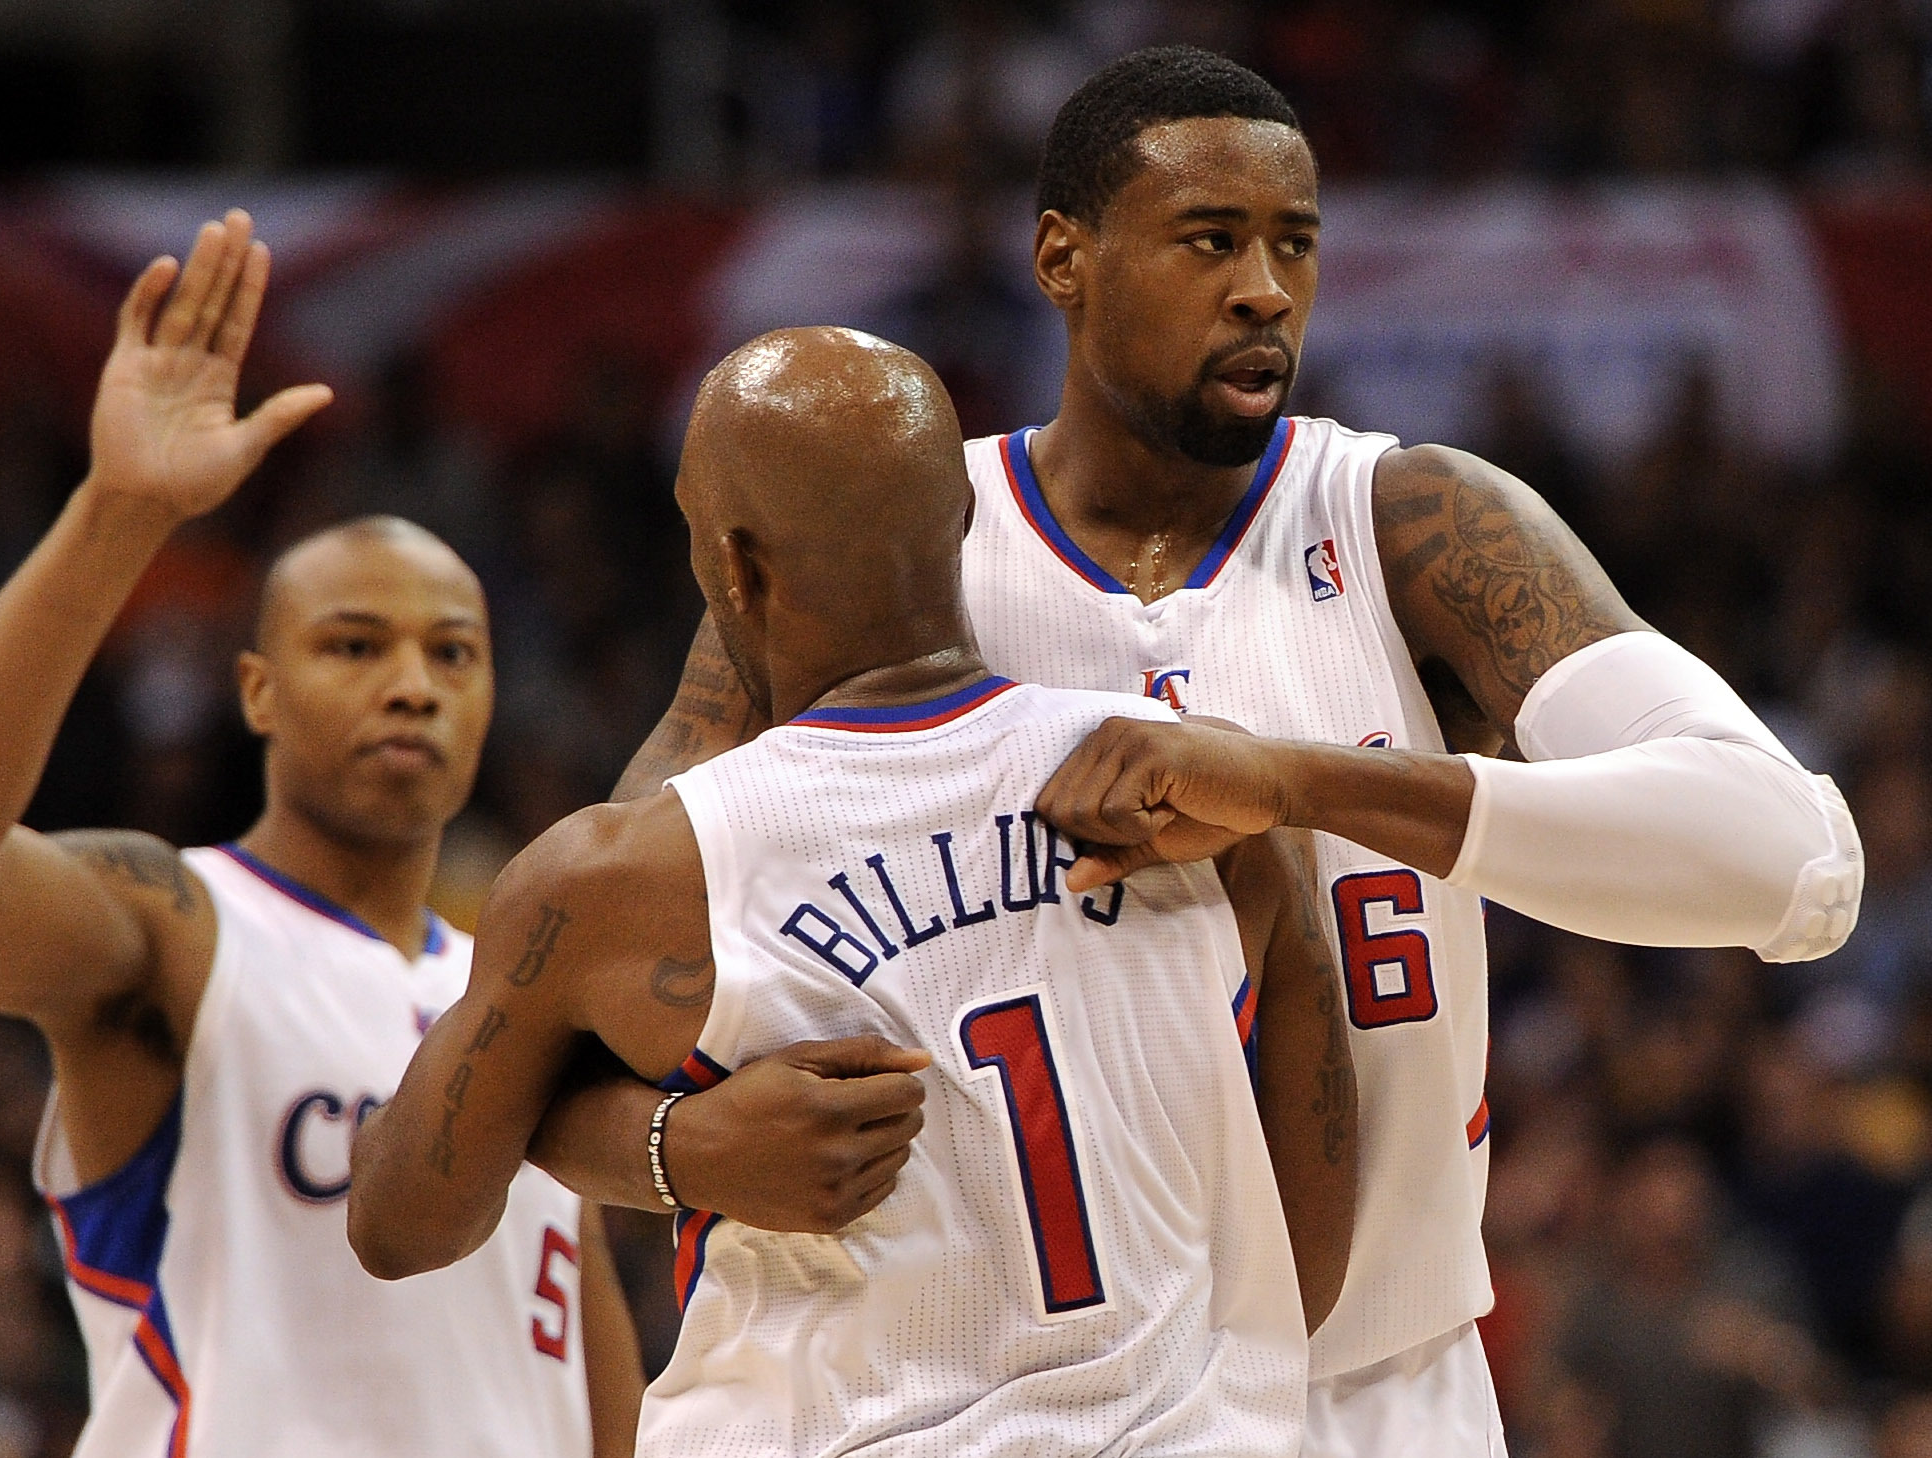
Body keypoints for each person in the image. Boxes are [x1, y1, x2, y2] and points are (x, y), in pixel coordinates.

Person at [551, 47, 1865, 1458]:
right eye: (1207, 239)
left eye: (1292, 243)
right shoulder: (887, 557)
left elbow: (1793, 864)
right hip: (998, 1413)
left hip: (1372, 1391)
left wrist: (1290, 778)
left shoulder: (1409, 524)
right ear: (1060, 255)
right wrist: (671, 1153)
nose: (1262, 287)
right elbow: (558, 1007)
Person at [348, 326, 1356, 1457]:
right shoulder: (1195, 789)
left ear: (731, 565)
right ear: (965, 521)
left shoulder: (628, 877)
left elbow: (399, 1217)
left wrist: (676, 1150)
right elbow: (1303, 1270)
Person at [0, 211, 655, 1456]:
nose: (412, 684)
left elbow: (611, 1429)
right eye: (354, 644)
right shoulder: (180, 926)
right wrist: (119, 511)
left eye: (454, 653)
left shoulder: (524, 1011)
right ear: (256, 690)